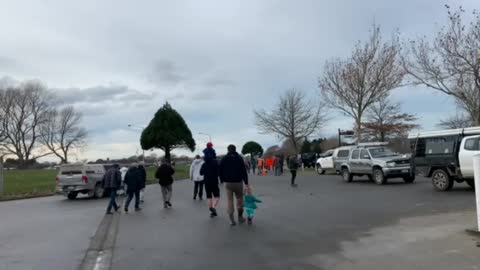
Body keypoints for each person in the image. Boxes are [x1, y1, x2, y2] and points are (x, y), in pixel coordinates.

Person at [219, 144, 249, 226]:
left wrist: (222, 180)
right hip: (238, 182)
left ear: (228, 150)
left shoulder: (224, 158)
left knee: (230, 201)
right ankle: (240, 217)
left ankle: (231, 220)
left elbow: (220, 169)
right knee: (239, 199)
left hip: (228, 183)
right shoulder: (239, 158)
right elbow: (244, 171)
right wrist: (246, 183)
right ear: (235, 150)